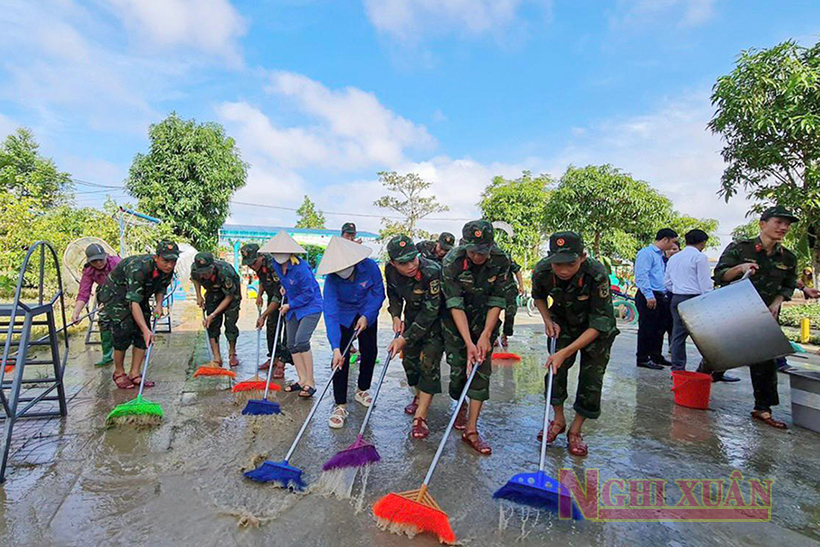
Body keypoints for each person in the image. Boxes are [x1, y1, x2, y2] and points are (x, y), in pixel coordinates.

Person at [532, 232, 618, 457]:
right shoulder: (542, 270)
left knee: (591, 380)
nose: (562, 270)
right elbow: (538, 296)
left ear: (582, 257)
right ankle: (558, 420)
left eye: (569, 264)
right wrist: (547, 319)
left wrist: (566, 351)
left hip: (596, 330)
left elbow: (600, 323)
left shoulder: (596, 273)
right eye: (557, 264)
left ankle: (576, 431)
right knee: (554, 372)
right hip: (563, 324)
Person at [713, 206, 800, 429]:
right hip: (734, 312)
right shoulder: (740, 248)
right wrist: (740, 268)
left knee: (765, 361)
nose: (784, 227)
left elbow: (789, 285)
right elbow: (720, 275)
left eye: (787, 224)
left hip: (765, 316)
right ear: (762, 224)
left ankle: (763, 408)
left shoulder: (788, 258)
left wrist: (777, 302)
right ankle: (692, 388)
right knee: (715, 355)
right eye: (778, 222)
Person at [441, 220, 510, 455]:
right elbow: (454, 303)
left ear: (491, 246)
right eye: (472, 251)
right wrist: (469, 342)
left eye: (483, 251)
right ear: (464, 245)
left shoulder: (501, 260)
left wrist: (485, 336)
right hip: (456, 323)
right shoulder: (452, 261)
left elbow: (497, 300)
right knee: (459, 369)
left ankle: (471, 430)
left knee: (481, 371)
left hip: (485, 320)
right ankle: (460, 404)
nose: (478, 257)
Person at [318, 236, 385, 428]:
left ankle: (362, 389)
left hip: (366, 310)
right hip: (344, 314)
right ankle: (340, 404)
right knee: (340, 359)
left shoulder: (370, 267)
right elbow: (330, 312)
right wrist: (335, 348)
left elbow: (378, 292)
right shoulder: (331, 279)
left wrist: (367, 315)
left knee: (370, 352)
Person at [385, 234, 444, 439]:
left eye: (413, 259)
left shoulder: (432, 271)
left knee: (429, 363)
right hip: (411, 318)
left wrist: (404, 338)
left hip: (435, 322)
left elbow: (431, 312)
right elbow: (393, 295)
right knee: (410, 363)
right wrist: (394, 316)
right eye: (403, 262)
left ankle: (421, 417)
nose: (411, 265)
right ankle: (419, 396)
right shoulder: (390, 271)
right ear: (393, 263)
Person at [97, 241, 178, 389]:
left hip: (139, 296)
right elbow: (133, 303)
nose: (170, 265)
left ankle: (135, 373)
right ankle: (119, 373)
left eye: (173, 261)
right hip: (116, 296)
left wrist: (159, 305)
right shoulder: (138, 268)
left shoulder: (168, 269)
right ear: (156, 258)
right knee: (123, 330)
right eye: (166, 261)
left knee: (143, 334)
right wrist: (145, 329)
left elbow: (161, 286)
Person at [664, 230, 740, 382]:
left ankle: (677, 371)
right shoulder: (699, 258)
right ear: (703, 243)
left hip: (677, 298)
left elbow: (667, 282)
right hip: (696, 300)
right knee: (710, 338)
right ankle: (713, 371)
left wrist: (679, 291)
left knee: (678, 337)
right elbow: (705, 284)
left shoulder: (674, 258)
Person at [261, 231, 323, 398]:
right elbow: (285, 281)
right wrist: (285, 289)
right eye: (276, 252)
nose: (278, 255)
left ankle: (311, 382)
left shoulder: (301, 268)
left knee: (302, 340)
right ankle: (301, 379)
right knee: (291, 344)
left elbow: (309, 294)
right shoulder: (275, 264)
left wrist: (290, 304)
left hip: (310, 306)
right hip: (292, 305)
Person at [241, 243, 292, 378]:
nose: (252, 266)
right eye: (249, 264)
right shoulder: (258, 265)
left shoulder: (273, 264)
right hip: (273, 295)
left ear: (261, 256)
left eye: (253, 262)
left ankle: (282, 363)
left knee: (287, 329)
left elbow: (278, 296)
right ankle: (274, 358)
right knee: (271, 326)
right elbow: (263, 280)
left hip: (286, 297)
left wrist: (263, 315)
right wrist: (259, 295)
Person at [634, 228, 678, 369]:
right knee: (647, 328)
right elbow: (642, 275)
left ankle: (656, 355)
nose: (672, 246)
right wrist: (648, 295)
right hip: (649, 295)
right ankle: (643, 357)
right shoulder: (646, 253)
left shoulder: (660, 256)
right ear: (665, 239)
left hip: (660, 295)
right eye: (672, 242)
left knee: (659, 328)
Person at [72, 243, 121, 367]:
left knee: (125, 324)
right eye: (95, 261)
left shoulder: (116, 263)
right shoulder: (89, 271)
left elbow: (129, 283)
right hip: (105, 294)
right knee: (104, 321)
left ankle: (138, 348)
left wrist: (115, 300)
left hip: (124, 291)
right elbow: (84, 293)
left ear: (106, 256)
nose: (99, 263)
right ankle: (107, 356)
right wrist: (76, 312)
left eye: (101, 259)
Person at [191, 252, 243, 368]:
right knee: (211, 325)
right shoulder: (195, 268)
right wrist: (199, 295)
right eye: (201, 272)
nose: (204, 275)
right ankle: (216, 357)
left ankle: (232, 353)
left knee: (230, 323)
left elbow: (229, 297)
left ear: (212, 267)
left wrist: (213, 314)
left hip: (231, 295)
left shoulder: (225, 272)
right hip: (212, 293)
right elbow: (195, 279)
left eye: (207, 272)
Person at [500, 255, 524, 347]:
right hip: (494, 290)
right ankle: (493, 336)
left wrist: (521, 286)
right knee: (491, 314)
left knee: (510, 313)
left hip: (509, 290)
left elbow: (517, 270)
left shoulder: (505, 257)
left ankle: (505, 335)